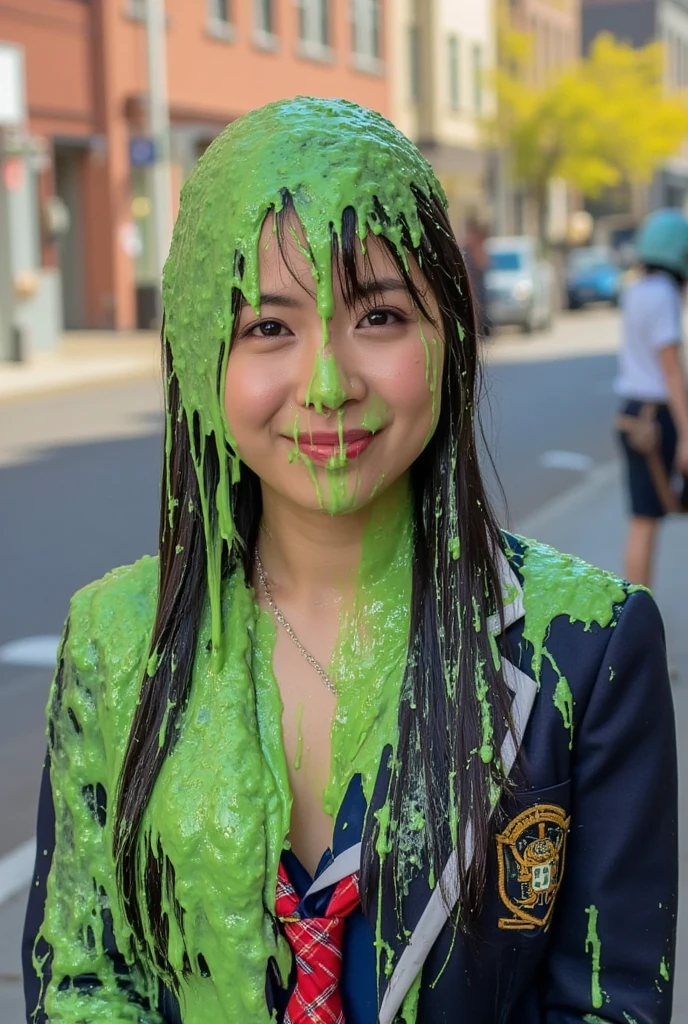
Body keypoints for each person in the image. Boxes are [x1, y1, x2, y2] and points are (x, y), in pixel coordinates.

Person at [23, 98, 676, 1024]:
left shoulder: (591, 646)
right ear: (201, 357)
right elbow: (84, 986)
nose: (328, 384)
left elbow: (607, 1003)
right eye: (269, 328)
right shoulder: (111, 643)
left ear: (449, 334)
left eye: (377, 314)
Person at [615, 208, 688, 588]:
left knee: (642, 521)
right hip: (654, 419)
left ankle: (639, 618)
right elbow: (671, 368)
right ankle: (640, 623)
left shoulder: (636, 289)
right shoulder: (663, 295)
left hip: (630, 414)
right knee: (645, 524)